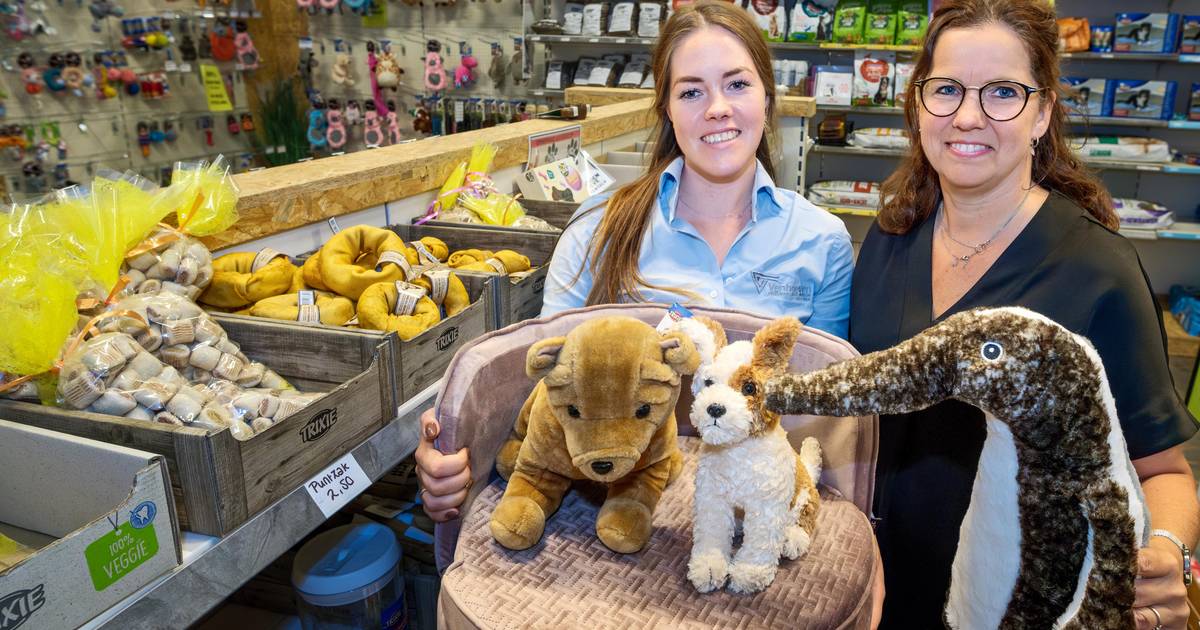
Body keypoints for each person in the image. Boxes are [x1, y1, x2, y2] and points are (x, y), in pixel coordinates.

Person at [414, 0, 856, 560]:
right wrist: (455, 448)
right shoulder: (600, 229)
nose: (717, 108)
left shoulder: (823, 241)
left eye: (737, 84)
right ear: (667, 109)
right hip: (611, 526)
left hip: (753, 527)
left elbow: (828, 417)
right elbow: (540, 385)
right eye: (692, 91)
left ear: (768, 97)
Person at [849, 1, 1199, 628]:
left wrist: (1166, 554)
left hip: (1011, 604)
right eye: (947, 89)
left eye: (1003, 92)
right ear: (918, 104)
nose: (968, 116)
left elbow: (1163, 468)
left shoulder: (1096, 270)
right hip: (875, 587)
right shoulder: (890, 237)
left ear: (1041, 112)